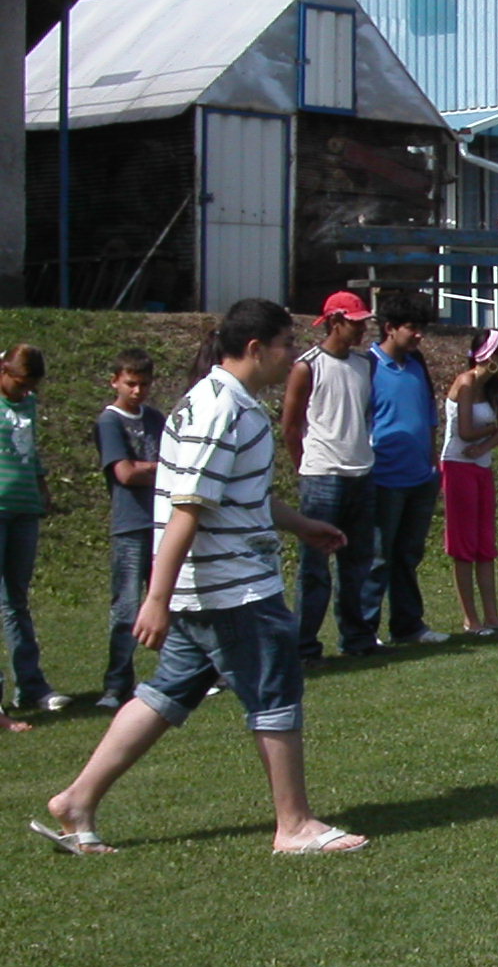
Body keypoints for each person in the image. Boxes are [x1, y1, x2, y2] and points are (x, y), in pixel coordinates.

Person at [31, 299, 368, 855]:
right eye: (286, 344)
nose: (293, 355)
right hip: (232, 588)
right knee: (274, 689)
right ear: (255, 348)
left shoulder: (211, 401)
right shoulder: (222, 409)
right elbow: (187, 506)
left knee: (167, 691)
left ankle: (77, 800)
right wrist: (156, 598)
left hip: (208, 587)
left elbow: (235, 495)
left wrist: (301, 524)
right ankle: (294, 825)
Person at [281, 290, 379, 660]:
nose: (362, 330)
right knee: (315, 567)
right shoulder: (307, 366)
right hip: (322, 475)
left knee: (357, 564)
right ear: (335, 322)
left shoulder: (364, 364)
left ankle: (357, 638)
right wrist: (304, 466)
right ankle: (305, 645)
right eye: (355, 323)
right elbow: (291, 426)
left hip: (361, 472)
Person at [364, 291, 450, 646]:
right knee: (376, 557)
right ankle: (364, 631)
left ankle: (408, 625)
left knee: (408, 555)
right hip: (383, 478)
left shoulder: (417, 365)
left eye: (421, 328)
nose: (419, 335)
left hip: (419, 477)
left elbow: (428, 416)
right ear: (390, 328)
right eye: (412, 328)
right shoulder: (368, 366)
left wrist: (432, 465)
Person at [94, 349, 167, 711]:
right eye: (131, 383)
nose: (138, 391)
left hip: (161, 520)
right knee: (126, 607)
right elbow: (124, 473)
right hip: (130, 523)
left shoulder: (155, 418)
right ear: (115, 382)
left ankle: (179, 674)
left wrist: (150, 468)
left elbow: (174, 459)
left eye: (144, 384)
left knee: (169, 600)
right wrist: (158, 467)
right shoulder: (109, 422)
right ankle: (117, 684)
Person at [442, 329, 498, 633]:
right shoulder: (466, 382)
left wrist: (485, 445)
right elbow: (464, 432)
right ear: (489, 356)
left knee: (485, 543)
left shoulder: (493, 387)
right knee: (464, 544)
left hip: (481, 467)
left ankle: (492, 616)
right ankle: (470, 619)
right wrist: (488, 431)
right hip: (457, 466)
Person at [0, 344, 62, 720]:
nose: (26, 393)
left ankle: (30, 686)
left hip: (24, 509)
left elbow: (31, 451)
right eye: (21, 384)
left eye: (31, 387)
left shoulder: (29, 404)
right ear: (4, 371)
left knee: (16, 601)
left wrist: (42, 488)